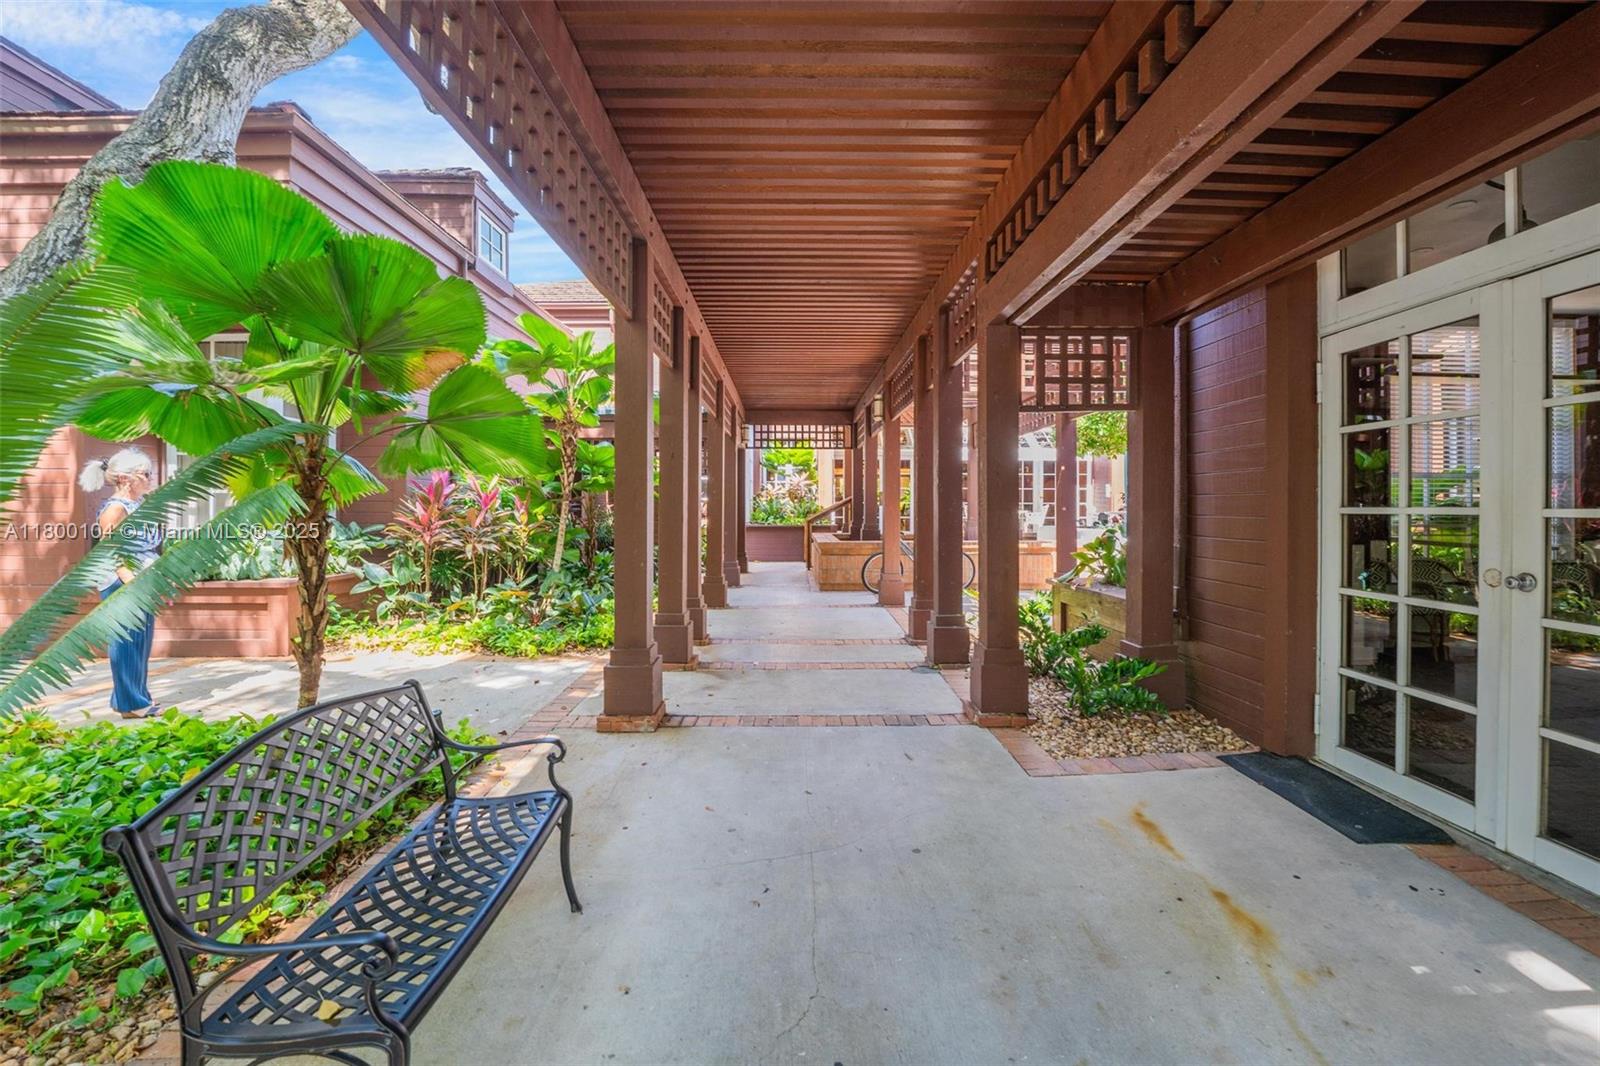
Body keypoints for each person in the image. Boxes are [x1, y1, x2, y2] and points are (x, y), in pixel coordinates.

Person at [79, 449, 164, 719]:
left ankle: (135, 699)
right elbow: (111, 551)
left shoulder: (137, 504)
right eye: (146, 475)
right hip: (123, 582)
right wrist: (131, 582)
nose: (151, 479)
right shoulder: (115, 509)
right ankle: (130, 703)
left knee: (141, 641)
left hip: (141, 580)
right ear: (127, 479)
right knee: (127, 641)